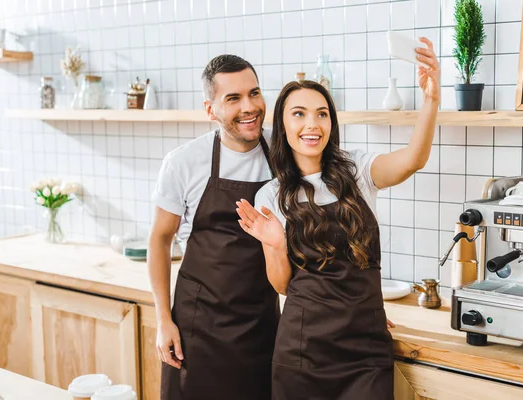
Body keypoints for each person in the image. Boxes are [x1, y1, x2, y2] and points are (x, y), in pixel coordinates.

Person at [235, 38, 440, 400]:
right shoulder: (270, 195)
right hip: (303, 351)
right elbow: (283, 285)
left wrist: (432, 100)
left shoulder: (358, 170)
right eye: (298, 113)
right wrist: (276, 244)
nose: (312, 124)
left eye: (322, 113)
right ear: (282, 123)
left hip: (366, 350)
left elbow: (413, 160)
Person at [149, 54, 279, 400]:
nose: (249, 106)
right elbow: (160, 241)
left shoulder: (284, 153)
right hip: (198, 330)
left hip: (262, 326)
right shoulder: (184, 162)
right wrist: (164, 321)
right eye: (233, 98)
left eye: (254, 93)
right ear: (211, 110)